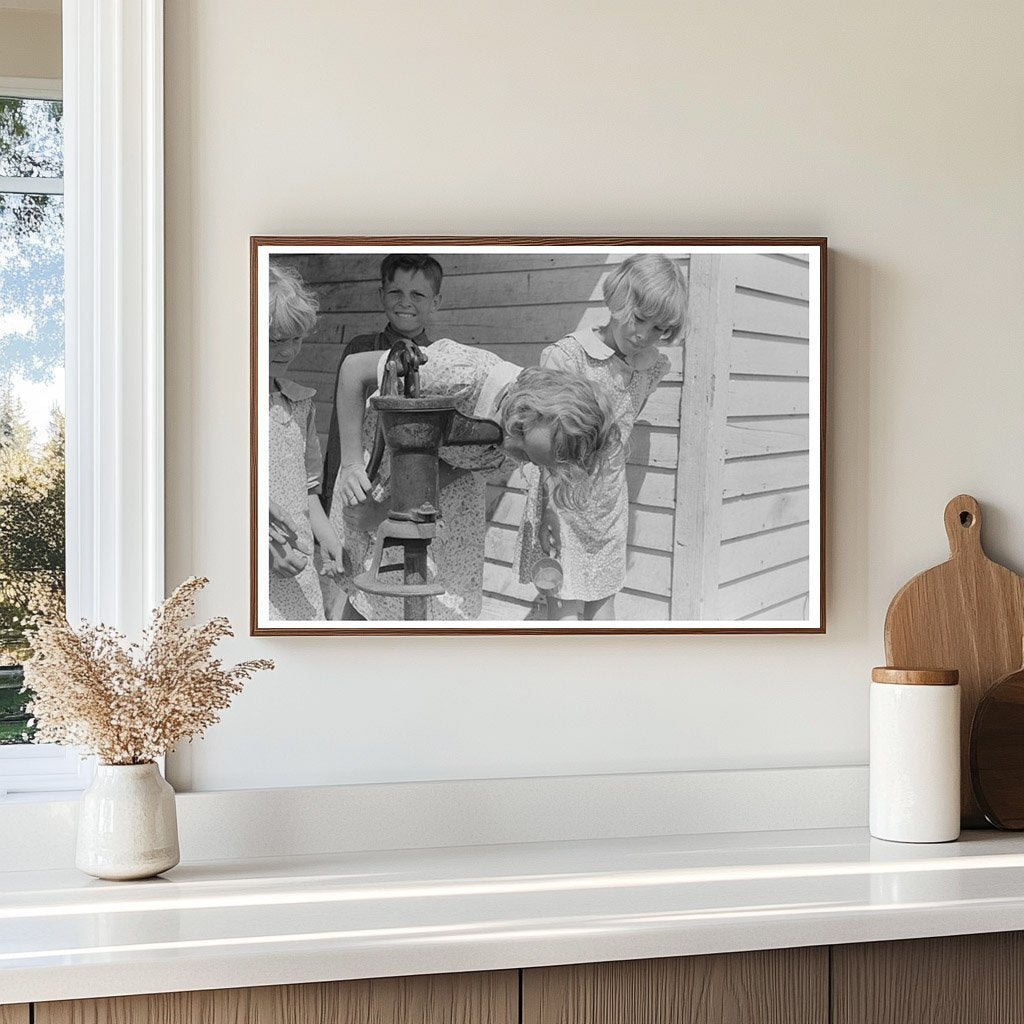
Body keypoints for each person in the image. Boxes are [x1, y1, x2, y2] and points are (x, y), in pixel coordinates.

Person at [332, 339, 620, 621]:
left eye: (529, 458)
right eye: (519, 435)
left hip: (438, 494)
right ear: (528, 408)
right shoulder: (462, 374)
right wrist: (352, 465)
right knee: (372, 592)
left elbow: (456, 468)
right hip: (381, 469)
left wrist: (382, 513)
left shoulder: (520, 445)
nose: (512, 450)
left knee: (439, 606)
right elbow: (353, 370)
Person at [515, 254, 688, 621]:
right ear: (618, 301)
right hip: (561, 498)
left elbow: (621, 429)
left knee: (604, 607)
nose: (643, 335)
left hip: (608, 504)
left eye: (658, 328)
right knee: (564, 608)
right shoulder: (569, 357)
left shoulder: (650, 367)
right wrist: (547, 509)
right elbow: (542, 447)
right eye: (639, 318)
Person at [322, 253, 444, 515]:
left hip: (414, 486)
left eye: (418, 294)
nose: (405, 302)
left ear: (435, 302)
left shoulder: (439, 359)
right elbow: (338, 433)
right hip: (362, 482)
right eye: (395, 292)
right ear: (381, 295)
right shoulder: (360, 350)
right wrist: (331, 490)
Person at [267, 263, 343, 620]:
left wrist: (327, 539)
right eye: (275, 341)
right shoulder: (215, 404)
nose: (288, 351)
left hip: (295, 566)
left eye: (296, 339)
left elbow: (308, 490)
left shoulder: (299, 404)